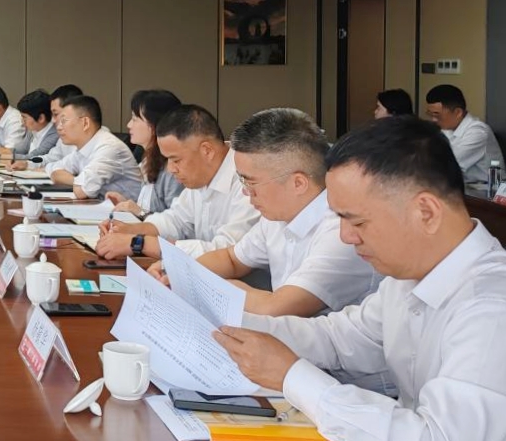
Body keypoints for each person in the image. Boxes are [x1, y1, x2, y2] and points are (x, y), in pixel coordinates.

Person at [214, 116, 506, 441]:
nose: (345, 236)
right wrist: (229, 326)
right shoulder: (406, 278)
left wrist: (291, 375)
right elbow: (339, 338)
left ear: (426, 212)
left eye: (357, 222)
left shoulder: (491, 308)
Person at [152, 108, 378, 317]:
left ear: (298, 183)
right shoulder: (278, 215)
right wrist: (177, 272)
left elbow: (276, 307)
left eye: (250, 181)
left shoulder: (342, 231)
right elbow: (231, 259)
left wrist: (201, 283)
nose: (244, 190)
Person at [94, 104, 259, 260]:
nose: (171, 169)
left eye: (176, 160)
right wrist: (129, 230)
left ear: (207, 151)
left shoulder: (249, 180)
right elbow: (175, 221)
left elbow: (228, 253)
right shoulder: (200, 177)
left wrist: (140, 243)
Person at [105, 89, 185, 216]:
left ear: (154, 124)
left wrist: (140, 212)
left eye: (134, 119)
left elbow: (177, 222)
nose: (129, 124)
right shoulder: (148, 159)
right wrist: (127, 204)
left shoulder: (173, 169)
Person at [46, 95, 143, 200]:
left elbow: (81, 191)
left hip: (130, 209)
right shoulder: (84, 147)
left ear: (85, 123)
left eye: (64, 121)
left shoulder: (108, 148)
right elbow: (53, 171)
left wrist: (78, 182)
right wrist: (78, 180)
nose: (59, 127)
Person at [424, 83, 503, 187]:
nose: (433, 120)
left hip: (486, 190)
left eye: (437, 115)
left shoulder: (478, 132)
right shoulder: (446, 129)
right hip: (463, 187)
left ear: (458, 112)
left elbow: (446, 165)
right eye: (430, 114)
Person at [0, 89, 57, 170]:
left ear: (41, 118)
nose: (22, 122)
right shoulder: (34, 129)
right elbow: (20, 150)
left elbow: (31, 157)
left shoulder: (54, 135)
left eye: (24, 117)